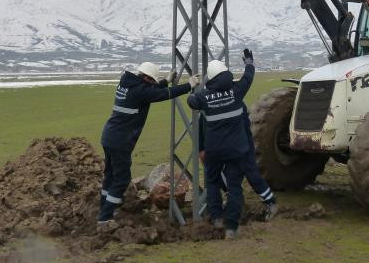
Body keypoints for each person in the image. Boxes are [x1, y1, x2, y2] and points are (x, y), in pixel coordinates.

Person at [98, 61, 198, 226]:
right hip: (120, 141)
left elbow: (149, 90)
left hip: (109, 137)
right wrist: (189, 85)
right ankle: (105, 217)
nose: (152, 83)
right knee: (122, 179)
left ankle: (104, 208)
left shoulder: (127, 84)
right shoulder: (141, 91)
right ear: (146, 78)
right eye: (152, 80)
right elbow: (161, 94)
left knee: (110, 176)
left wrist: (165, 81)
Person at [189, 49, 255, 238]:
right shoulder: (237, 91)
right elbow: (248, 77)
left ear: (210, 79)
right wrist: (249, 63)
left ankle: (217, 217)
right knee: (234, 186)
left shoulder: (204, 96)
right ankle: (231, 228)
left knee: (212, 182)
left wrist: (193, 88)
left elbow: (191, 102)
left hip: (214, 150)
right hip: (236, 149)